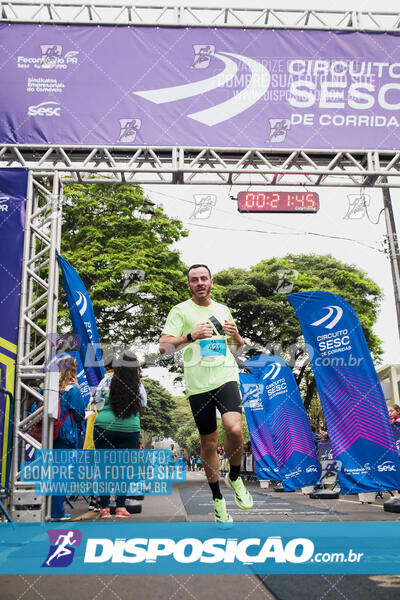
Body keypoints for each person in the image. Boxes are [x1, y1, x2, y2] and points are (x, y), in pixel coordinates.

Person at [159, 263, 253, 526]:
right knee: (209, 443)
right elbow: (164, 348)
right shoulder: (180, 311)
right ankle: (218, 501)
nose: (199, 283)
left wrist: (238, 338)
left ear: (211, 282)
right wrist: (191, 335)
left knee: (234, 429)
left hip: (225, 376)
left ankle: (234, 476)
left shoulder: (223, 310)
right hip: (198, 384)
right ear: (189, 285)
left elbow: (235, 348)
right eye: (194, 280)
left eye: (204, 278)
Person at [93, 351, 147, 519]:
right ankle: (121, 507)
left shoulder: (106, 380)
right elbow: (143, 407)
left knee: (104, 469)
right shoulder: (138, 385)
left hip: (104, 428)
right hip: (129, 430)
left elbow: (97, 403)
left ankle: (104, 509)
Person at [52, 355, 86, 521]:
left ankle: (46, 508)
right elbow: (79, 414)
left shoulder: (50, 387)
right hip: (66, 434)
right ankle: (57, 512)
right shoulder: (73, 390)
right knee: (61, 473)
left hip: (48, 433)